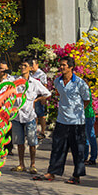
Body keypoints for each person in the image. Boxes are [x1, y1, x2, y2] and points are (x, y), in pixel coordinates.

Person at [34, 55, 91, 184]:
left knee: (78, 150)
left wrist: (77, 112)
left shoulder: (80, 83)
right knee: (57, 148)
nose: (61, 67)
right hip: (61, 120)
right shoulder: (57, 81)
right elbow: (60, 94)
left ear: (71, 67)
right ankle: (52, 172)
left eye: (64, 65)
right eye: (60, 65)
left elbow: (86, 100)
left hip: (77, 122)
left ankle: (76, 176)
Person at [12, 61, 51, 174]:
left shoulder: (34, 83)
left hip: (29, 116)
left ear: (30, 68)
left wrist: (37, 100)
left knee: (32, 142)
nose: (22, 68)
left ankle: (32, 165)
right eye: (21, 65)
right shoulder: (15, 82)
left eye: (25, 66)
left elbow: (47, 93)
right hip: (17, 116)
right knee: (19, 142)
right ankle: (21, 164)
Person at [30, 57, 49, 141]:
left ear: (37, 65)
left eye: (33, 64)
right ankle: (33, 131)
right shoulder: (30, 74)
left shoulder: (41, 74)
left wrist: (43, 98)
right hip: (31, 96)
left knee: (41, 114)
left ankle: (43, 132)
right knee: (34, 115)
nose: (31, 66)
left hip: (39, 96)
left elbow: (44, 86)